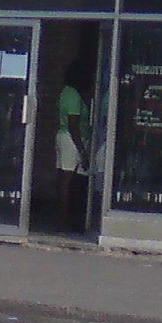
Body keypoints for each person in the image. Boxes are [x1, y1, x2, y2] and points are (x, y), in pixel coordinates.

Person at [54, 59, 92, 232]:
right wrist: (82, 151)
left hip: (73, 138)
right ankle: (62, 221)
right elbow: (73, 124)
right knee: (67, 182)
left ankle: (70, 220)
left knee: (73, 182)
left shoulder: (69, 92)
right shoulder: (72, 95)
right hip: (71, 139)